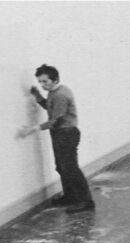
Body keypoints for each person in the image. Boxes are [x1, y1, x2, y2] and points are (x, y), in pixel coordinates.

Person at [21, 64, 95, 213]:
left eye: (45, 82)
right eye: (40, 82)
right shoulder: (54, 92)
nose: (42, 85)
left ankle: (86, 201)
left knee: (71, 169)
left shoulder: (60, 94)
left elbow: (56, 120)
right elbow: (50, 108)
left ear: (55, 80)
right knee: (62, 167)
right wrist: (37, 95)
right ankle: (70, 196)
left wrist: (34, 128)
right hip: (60, 134)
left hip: (66, 134)